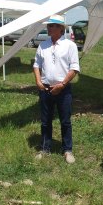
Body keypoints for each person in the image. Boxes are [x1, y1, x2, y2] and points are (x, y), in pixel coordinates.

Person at [33, 14, 80, 164]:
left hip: (63, 89)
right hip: (45, 88)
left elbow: (74, 68)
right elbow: (36, 65)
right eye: (48, 25)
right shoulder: (43, 45)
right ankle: (45, 147)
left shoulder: (70, 46)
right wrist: (38, 81)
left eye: (52, 25)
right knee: (45, 121)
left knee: (65, 120)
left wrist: (62, 84)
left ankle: (67, 149)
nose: (48, 28)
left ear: (60, 28)